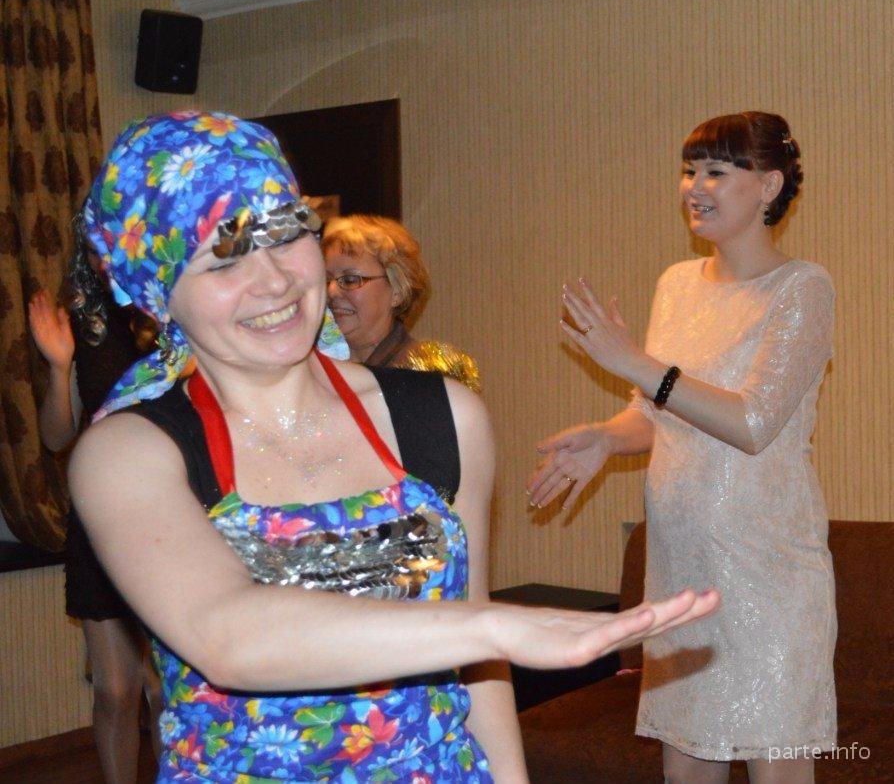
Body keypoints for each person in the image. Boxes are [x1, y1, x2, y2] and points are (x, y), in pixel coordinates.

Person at [68, 110, 718, 783]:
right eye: (223, 257)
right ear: (157, 292)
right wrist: (494, 628)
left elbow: (479, 674)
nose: (276, 280)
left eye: (284, 231)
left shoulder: (441, 417)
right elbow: (229, 633)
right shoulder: (129, 453)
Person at [528, 111, 836, 784]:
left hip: (768, 574)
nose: (694, 186)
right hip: (682, 571)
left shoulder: (803, 288)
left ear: (768, 186)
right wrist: (608, 437)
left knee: (778, 767)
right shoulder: (676, 283)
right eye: (689, 170)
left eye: (716, 172)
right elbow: (659, 414)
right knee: (685, 769)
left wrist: (636, 363)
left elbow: (752, 423)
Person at [28, 277, 162, 783]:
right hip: (103, 517)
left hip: (174, 512)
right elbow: (56, 436)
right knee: (116, 690)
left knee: (169, 690)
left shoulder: (183, 306)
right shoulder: (84, 318)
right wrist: (60, 367)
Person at [323, 214, 481, 390]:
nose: (331, 292)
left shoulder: (429, 375)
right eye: (326, 280)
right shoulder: (312, 371)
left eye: (350, 280)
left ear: (397, 290)